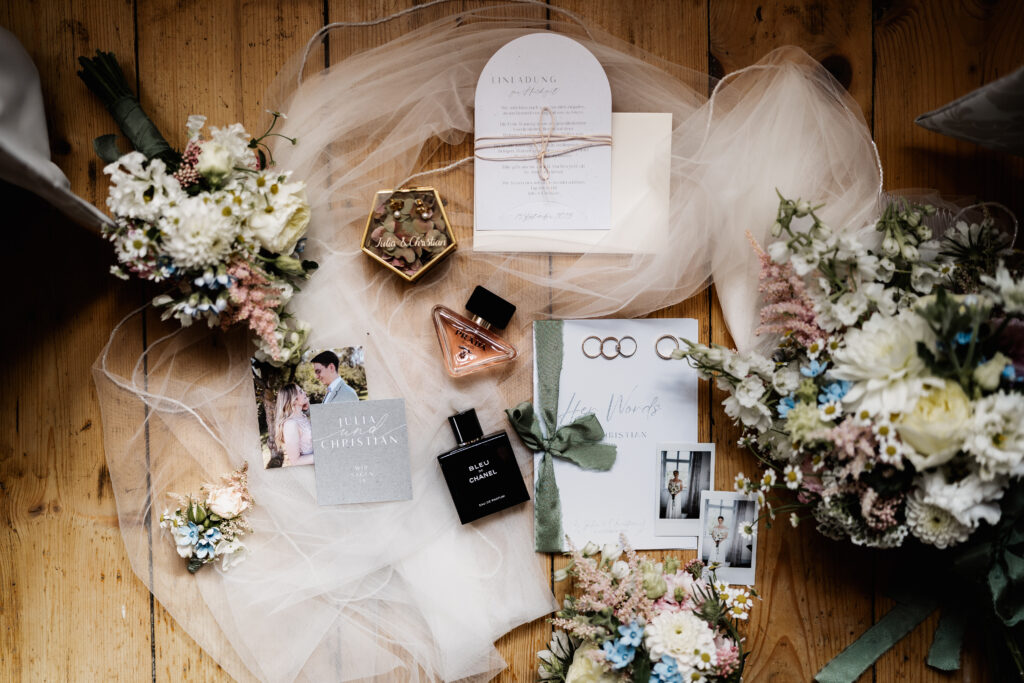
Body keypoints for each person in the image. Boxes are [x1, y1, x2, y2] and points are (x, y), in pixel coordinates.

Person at [274, 383, 314, 466]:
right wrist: (323, 455)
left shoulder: (302, 416)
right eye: (301, 391)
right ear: (294, 399)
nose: (305, 393)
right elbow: (295, 461)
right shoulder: (290, 425)